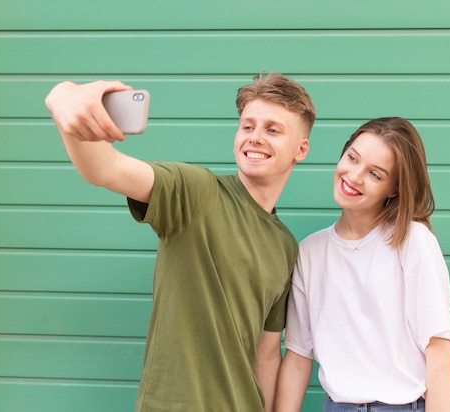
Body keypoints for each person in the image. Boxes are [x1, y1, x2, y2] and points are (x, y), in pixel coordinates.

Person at [44, 73, 316, 412]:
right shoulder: (197, 192)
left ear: (301, 149)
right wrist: (63, 95)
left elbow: (267, 353)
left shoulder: (285, 245)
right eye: (247, 126)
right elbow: (104, 168)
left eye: (272, 129)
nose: (255, 137)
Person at [275, 117, 450, 412]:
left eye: (375, 173)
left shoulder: (413, 241)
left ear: (394, 189)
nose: (354, 176)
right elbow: (297, 358)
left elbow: (440, 353)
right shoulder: (310, 252)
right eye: (352, 158)